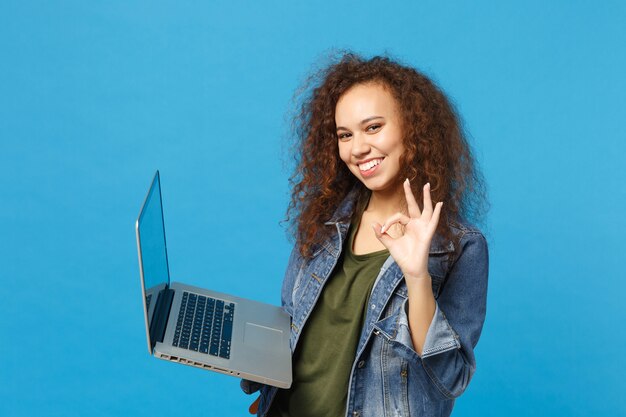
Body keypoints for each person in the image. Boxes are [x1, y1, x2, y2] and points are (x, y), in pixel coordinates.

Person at [242, 52, 489, 417]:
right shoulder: (324, 223)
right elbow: (291, 320)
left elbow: (449, 377)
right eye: (345, 135)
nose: (357, 148)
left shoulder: (459, 246)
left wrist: (417, 277)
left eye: (373, 127)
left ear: (412, 128)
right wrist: (245, 353)